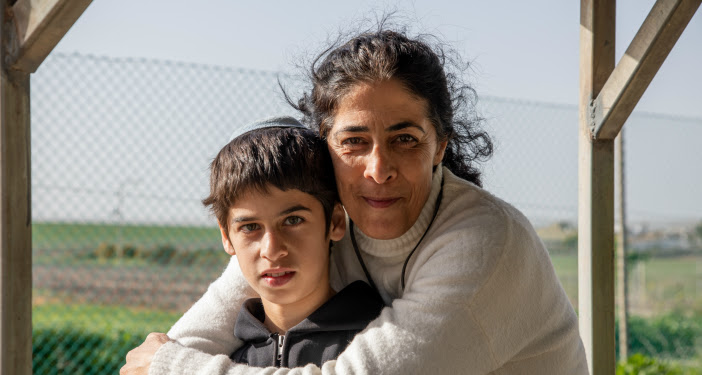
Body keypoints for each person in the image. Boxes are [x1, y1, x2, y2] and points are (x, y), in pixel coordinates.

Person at [122, 27, 588, 375]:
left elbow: (170, 362)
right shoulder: (318, 219)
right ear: (326, 145)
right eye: (354, 141)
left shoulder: (484, 242)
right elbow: (188, 340)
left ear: (440, 148)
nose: (378, 168)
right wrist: (168, 359)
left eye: (405, 138)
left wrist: (174, 366)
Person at [205, 116, 384, 367]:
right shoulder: (223, 359)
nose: (272, 250)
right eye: (250, 227)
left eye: (293, 221)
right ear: (227, 237)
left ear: (334, 222)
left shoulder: (380, 340)